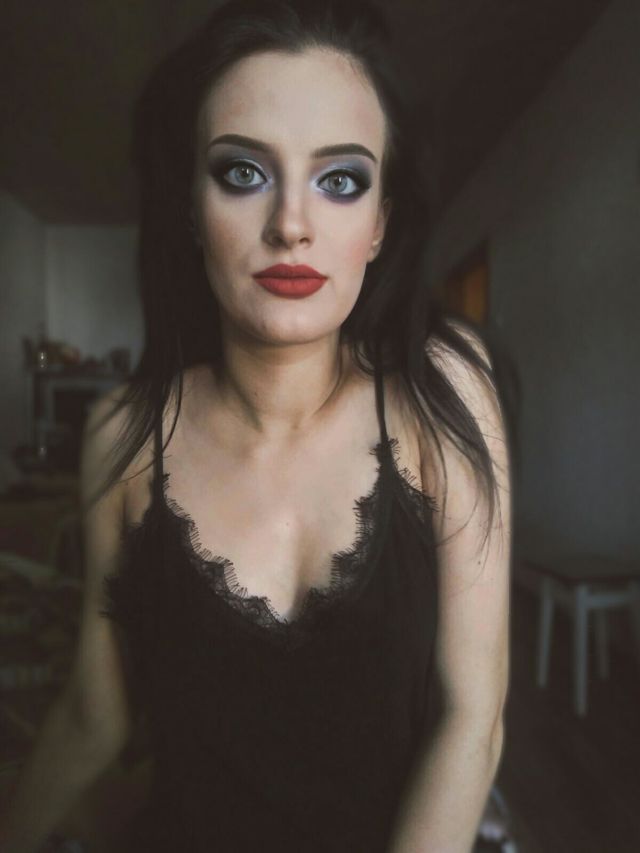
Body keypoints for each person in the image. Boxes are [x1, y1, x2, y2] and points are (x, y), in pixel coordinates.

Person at [0, 0, 516, 850]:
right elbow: (95, 712)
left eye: (340, 180)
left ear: (380, 225)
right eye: (243, 172)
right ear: (190, 210)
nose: (290, 225)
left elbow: (474, 715)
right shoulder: (122, 435)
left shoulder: (443, 390)